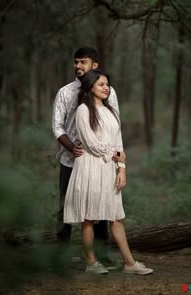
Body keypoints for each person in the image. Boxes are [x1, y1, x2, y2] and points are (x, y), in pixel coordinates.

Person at [63, 69, 154, 275]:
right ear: (90, 87)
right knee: (88, 217)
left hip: (108, 168)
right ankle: (91, 262)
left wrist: (121, 168)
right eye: (101, 84)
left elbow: (118, 142)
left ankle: (129, 263)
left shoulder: (111, 111)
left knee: (115, 216)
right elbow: (90, 143)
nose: (106, 88)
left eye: (107, 84)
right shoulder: (83, 111)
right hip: (89, 167)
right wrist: (116, 154)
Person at [52, 47, 125, 267]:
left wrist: (119, 162)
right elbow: (57, 126)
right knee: (66, 205)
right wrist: (70, 146)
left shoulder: (108, 91)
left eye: (83, 62)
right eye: (76, 62)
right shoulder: (65, 92)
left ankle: (101, 255)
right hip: (71, 160)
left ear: (94, 65)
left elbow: (116, 127)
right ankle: (62, 256)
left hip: (100, 161)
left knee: (100, 206)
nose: (78, 66)